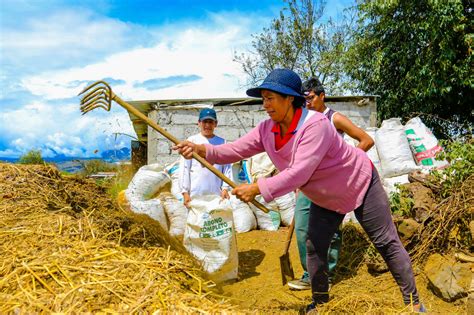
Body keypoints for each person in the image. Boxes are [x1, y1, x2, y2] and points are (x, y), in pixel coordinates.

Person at [173, 69, 424, 313]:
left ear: (289, 98)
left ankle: (413, 303)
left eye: (270, 98)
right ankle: (321, 304)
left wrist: (258, 187)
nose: (265, 105)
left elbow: (300, 173)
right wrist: (200, 150)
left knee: (385, 241)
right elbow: (235, 150)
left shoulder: (315, 125)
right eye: (263, 99)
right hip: (325, 195)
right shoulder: (267, 129)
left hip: (359, 180)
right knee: (314, 245)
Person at [288, 77, 375, 290]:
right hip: (309, 185)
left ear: (321, 96)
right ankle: (310, 273)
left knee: (331, 231)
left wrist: (347, 163)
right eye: (304, 100)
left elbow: (366, 140)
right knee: (301, 227)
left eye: (310, 98)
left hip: (331, 186)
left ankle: (326, 275)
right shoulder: (305, 121)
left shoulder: (334, 118)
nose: (307, 103)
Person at [178, 108, 232, 207]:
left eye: (210, 122)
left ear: (216, 124)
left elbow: (227, 168)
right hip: (195, 194)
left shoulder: (222, 143)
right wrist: (185, 192)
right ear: (199, 123)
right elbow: (185, 168)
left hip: (216, 195)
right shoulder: (192, 141)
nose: (207, 125)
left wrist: (225, 188)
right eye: (204, 122)